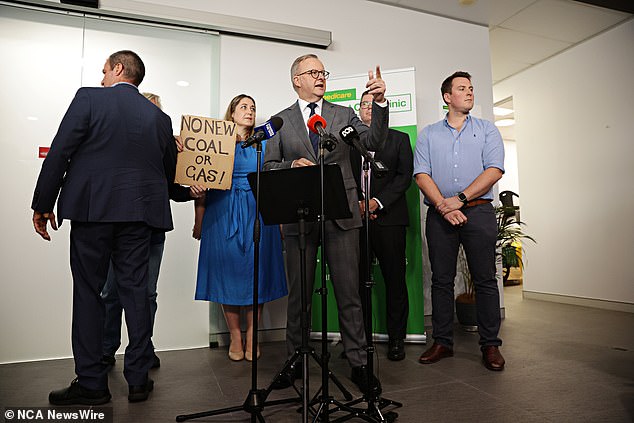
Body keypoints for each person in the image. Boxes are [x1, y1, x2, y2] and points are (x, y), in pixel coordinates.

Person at [31, 50, 175, 405]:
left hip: (93, 212)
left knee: (88, 293)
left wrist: (42, 203)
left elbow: (60, 152)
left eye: (104, 71)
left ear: (118, 69)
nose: (101, 78)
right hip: (140, 216)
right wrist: (194, 190)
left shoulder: (89, 98)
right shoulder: (159, 118)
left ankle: (92, 383)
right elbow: (171, 178)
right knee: (137, 294)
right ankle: (139, 379)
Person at [263, 54, 388, 394]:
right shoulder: (280, 121)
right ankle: (295, 362)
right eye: (312, 72)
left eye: (322, 72)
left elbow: (373, 142)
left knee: (348, 294)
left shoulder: (343, 114)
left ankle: (359, 364)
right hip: (299, 215)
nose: (320, 77)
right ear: (296, 80)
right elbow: (268, 165)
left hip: (341, 213)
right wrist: (290, 166)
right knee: (299, 297)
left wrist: (379, 103)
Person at [100, 92, 204, 370]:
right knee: (111, 292)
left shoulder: (167, 146)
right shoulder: (119, 143)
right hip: (118, 227)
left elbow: (172, 190)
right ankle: (106, 349)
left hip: (152, 230)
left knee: (146, 293)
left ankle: (143, 348)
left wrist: (192, 192)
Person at [413, 71, 506, 371]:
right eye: (462, 88)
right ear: (447, 97)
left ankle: (490, 345)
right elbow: (421, 174)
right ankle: (442, 342)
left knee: (485, 280)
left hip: (478, 212)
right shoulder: (428, 133)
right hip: (440, 215)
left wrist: (461, 199)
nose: (469, 93)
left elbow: (494, 170)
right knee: (441, 280)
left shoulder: (487, 130)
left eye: (471, 88)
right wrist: (443, 205)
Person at [193, 94, 288, 362]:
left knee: (256, 275)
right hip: (221, 212)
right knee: (227, 276)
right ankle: (235, 335)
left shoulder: (266, 142)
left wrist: (279, 222)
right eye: (243, 107)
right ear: (232, 113)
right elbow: (201, 181)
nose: (249, 111)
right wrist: (198, 220)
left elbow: (274, 185)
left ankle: (253, 335)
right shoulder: (215, 142)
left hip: (258, 213)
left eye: (253, 107)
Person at [350, 91, 413, 361]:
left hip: (390, 220)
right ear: (359, 110)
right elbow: (342, 177)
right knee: (356, 283)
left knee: (394, 281)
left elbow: (404, 177)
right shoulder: (349, 143)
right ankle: (358, 340)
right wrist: (359, 205)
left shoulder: (399, 139)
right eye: (364, 105)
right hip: (355, 221)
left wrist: (376, 202)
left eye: (372, 104)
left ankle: (396, 338)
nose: (368, 109)